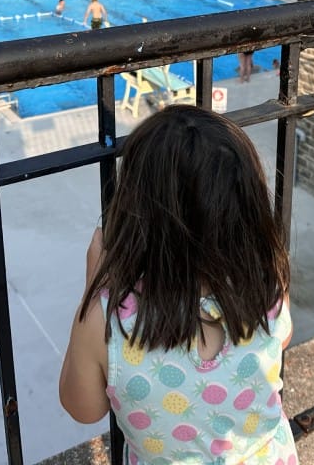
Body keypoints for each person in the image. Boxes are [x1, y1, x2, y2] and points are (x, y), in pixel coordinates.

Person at [59, 106, 296, 465]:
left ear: (135, 212)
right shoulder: (266, 283)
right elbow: (282, 336)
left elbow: (83, 408)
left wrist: (93, 289)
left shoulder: (108, 320)